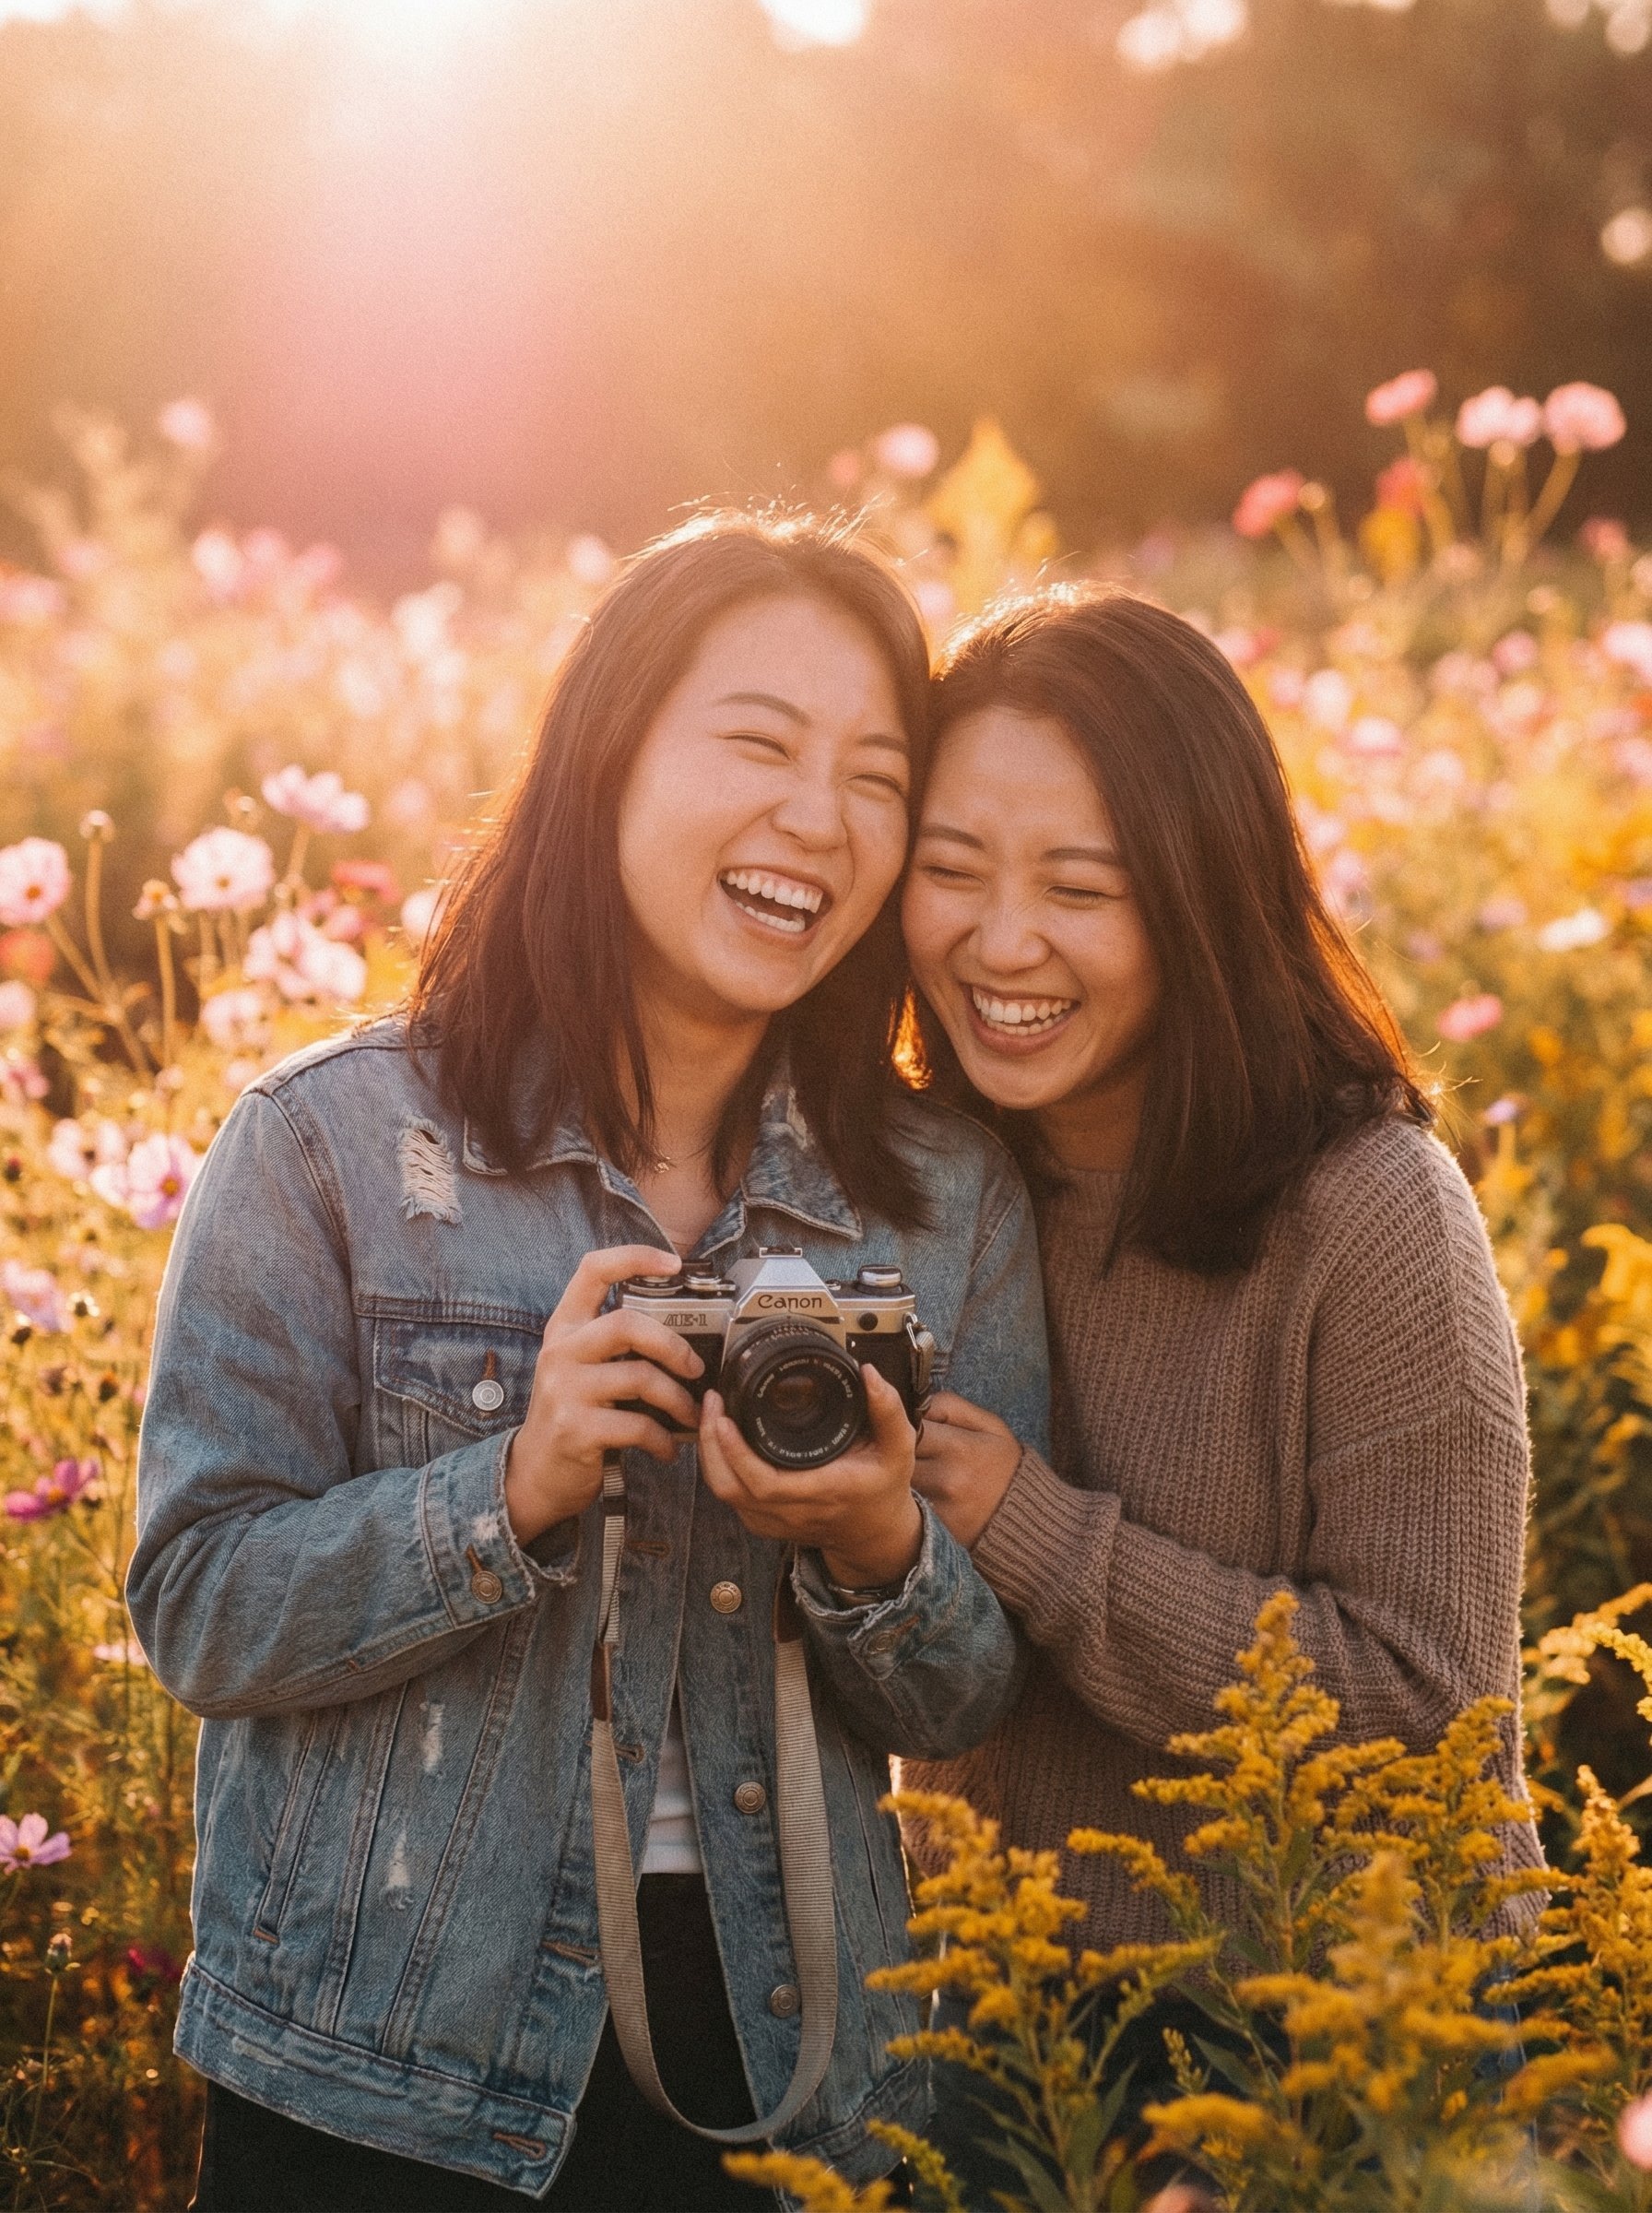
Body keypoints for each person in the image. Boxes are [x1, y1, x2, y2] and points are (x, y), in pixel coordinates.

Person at [127, 513, 1049, 2211]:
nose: (816, 821)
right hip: (383, 2057)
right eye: (761, 743)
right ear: (608, 753)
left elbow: (969, 1694)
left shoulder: (937, 1200)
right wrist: (512, 1488)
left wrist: (874, 1548)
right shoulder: (327, 1147)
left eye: (873, 775)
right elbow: (196, 1605)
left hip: (776, 2055)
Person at [897, 585, 1543, 2186]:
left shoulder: (1368, 1209)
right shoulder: (915, 1185)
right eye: (952, 869)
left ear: (1201, 900)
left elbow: (1428, 1714)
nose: (1001, 943)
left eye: (1081, 887)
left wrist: (1033, 1532)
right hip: (986, 2021)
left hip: (1330, 2031)